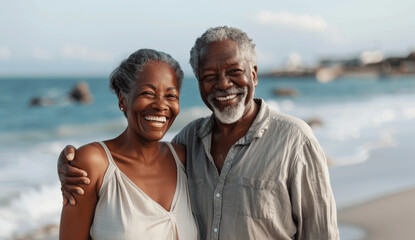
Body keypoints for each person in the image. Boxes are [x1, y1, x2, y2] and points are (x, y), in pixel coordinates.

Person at [58, 26, 339, 239]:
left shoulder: (295, 140)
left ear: (253, 74)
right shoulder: (187, 144)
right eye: (209, 77)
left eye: (234, 71)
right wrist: (70, 161)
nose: (223, 84)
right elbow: (131, 160)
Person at [58, 49, 198, 240]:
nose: (160, 105)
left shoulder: (185, 158)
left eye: (171, 96)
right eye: (148, 93)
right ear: (123, 100)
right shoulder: (94, 163)